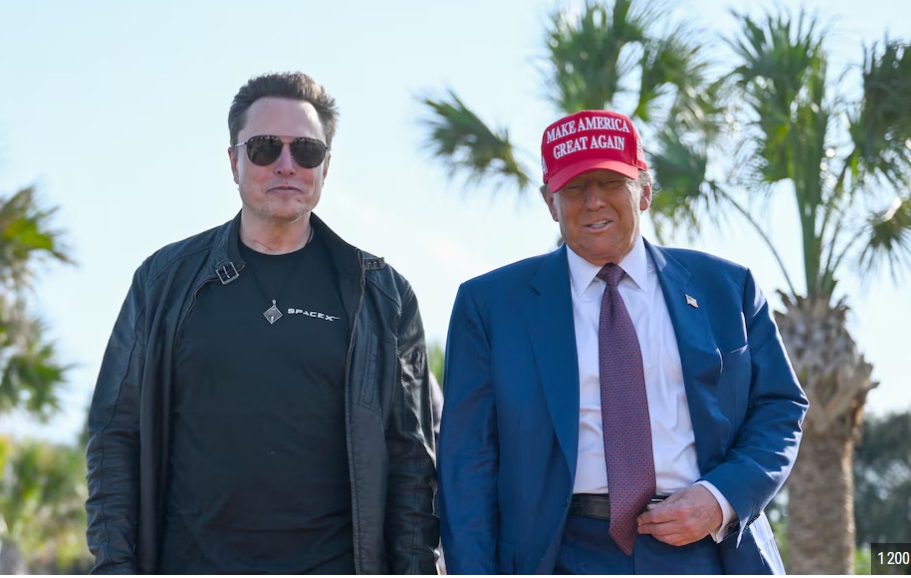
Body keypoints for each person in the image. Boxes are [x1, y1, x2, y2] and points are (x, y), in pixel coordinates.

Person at [85, 72, 438, 574]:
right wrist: (115, 567)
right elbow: (115, 436)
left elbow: (412, 464)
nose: (286, 165)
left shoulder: (383, 296)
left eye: (306, 151)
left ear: (326, 167)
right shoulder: (162, 281)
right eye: (265, 148)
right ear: (234, 161)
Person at [438, 109, 808, 574]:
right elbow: (466, 463)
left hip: (706, 549)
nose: (593, 201)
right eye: (574, 188)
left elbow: (779, 407)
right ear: (550, 203)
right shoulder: (490, 305)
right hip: (559, 555)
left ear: (645, 191)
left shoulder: (726, 289)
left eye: (611, 182)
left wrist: (720, 498)